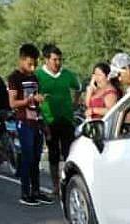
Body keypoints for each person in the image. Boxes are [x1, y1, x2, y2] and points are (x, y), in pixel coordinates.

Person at [35, 44, 82, 196]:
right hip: (50, 120)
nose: (57, 63)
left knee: (69, 153)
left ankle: (69, 183)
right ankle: (56, 186)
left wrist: (75, 103)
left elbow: (78, 87)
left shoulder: (67, 74)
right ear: (46, 60)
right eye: (54, 60)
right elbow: (32, 96)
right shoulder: (38, 75)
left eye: (60, 60)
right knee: (53, 154)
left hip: (67, 119)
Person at [8, 43, 50, 206]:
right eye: (29, 64)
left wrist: (43, 121)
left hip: (37, 120)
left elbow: (37, 101)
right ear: (21, 60)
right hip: (24, 121)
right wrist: (29, 100)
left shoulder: (34, 77)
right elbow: (12, 103)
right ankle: (25, 192)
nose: (32, 68)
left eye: (35, 64)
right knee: (27, 157)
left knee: (36, 158)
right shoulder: (14, 78)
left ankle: (36, 191)